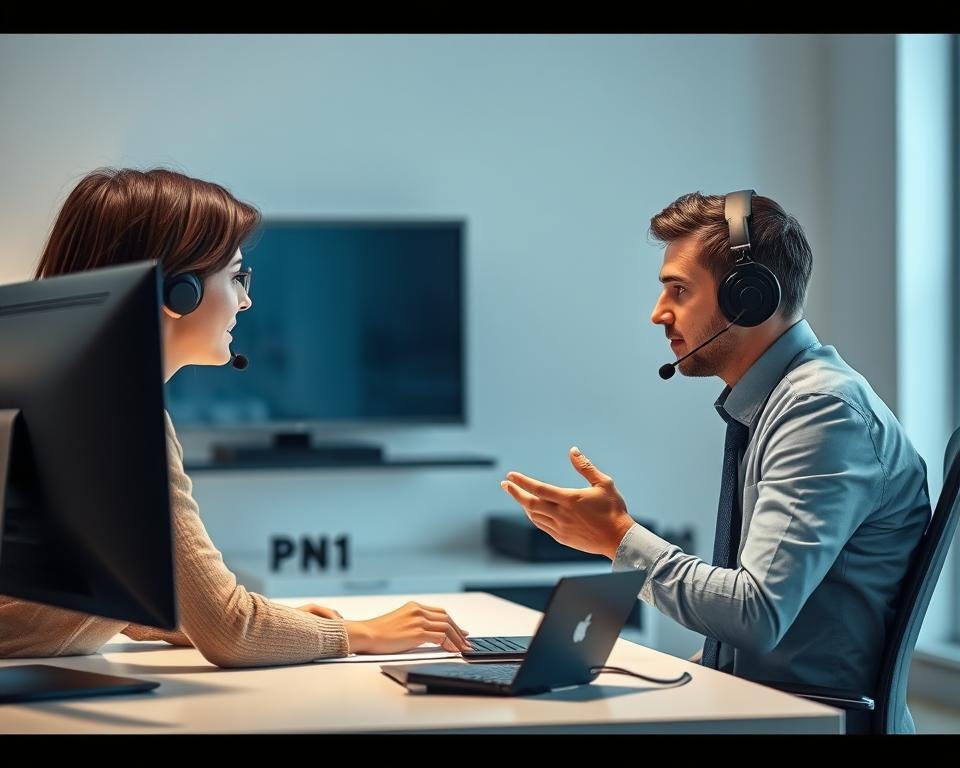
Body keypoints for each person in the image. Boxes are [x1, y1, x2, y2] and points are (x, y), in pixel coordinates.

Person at [0, 167, 471, 666]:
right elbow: (233, 632)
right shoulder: (116, 418)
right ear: (178, 293)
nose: (246, 299)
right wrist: (359, 634)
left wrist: (275, 624)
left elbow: (83, 590)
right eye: (236, 276)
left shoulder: (62, 388)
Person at [499, 190, 930, 733]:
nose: (658, 313)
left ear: (748, 298)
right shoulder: (778, 404)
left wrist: (618, 537)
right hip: (773, 711)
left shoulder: (820, 411)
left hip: (805, 724)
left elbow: (755, 615)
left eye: (678, 290)